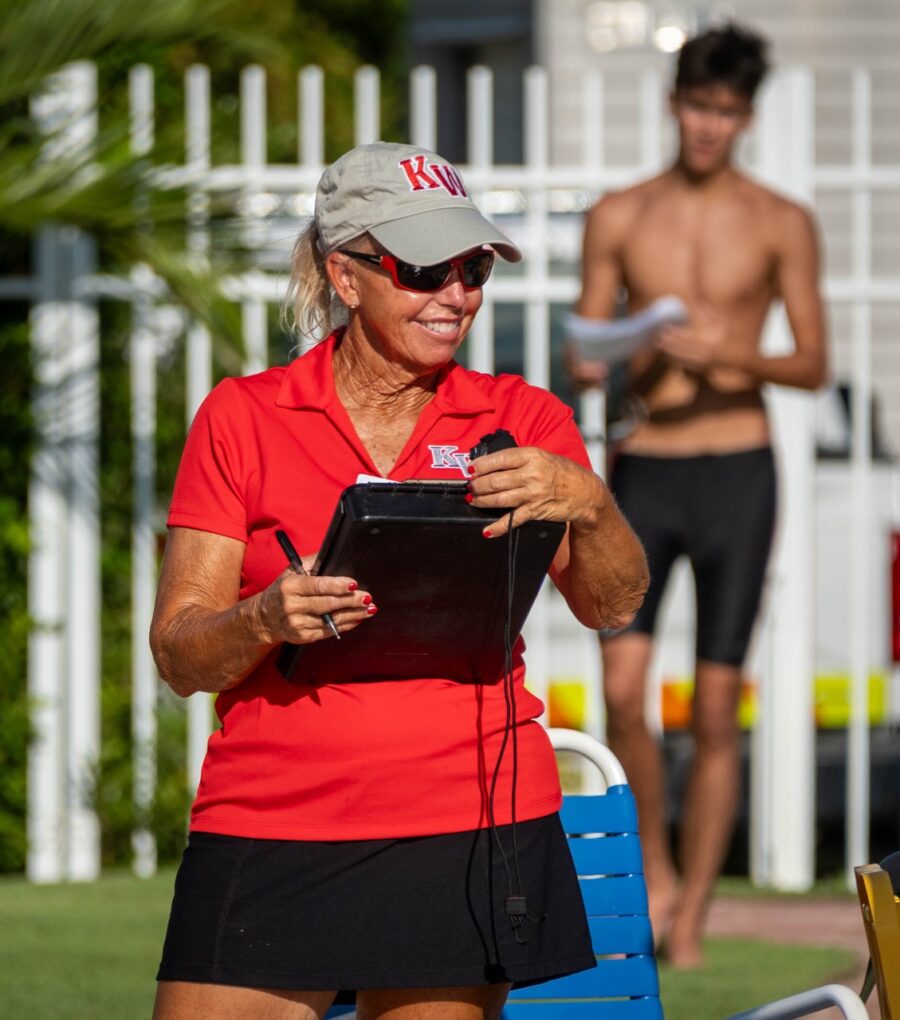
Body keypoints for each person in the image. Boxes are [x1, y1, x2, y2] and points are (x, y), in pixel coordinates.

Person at [150, 140, 649, 1020]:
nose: (456, 294)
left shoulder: (523, 419)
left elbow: (613, 605)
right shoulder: (243, 414)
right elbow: (181, 654)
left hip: (463, 812)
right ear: (347, 277)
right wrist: (262, 618)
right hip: (270, 814)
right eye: (425, 269)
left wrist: (589, 502)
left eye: (472, 266)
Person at [568, 24, 828, 968]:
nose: (709, 124)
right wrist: (646, 346)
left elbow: (812, 360)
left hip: (737, 468)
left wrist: (730, 353)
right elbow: (583, 354)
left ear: (747, 116)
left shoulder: (780, 220)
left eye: (726, 110)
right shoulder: (621, 214)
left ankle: (692, 912)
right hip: (645, 467)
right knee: (623, 691)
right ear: (673, 102)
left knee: (717, 708)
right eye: (696, 105)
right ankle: (659, 868)